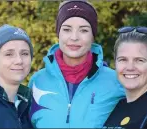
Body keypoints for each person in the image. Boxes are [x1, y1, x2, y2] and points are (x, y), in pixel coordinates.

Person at [28, 0, 125, 128]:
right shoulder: (37, 81)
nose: (74, 37)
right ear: (58, 33)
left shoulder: (116, 82)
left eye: (83, 30)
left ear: (93, 35)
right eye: (67, 29)